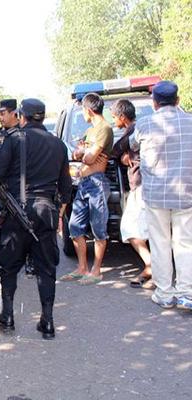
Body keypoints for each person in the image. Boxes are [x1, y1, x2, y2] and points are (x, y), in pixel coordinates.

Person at [0, 98, 72, 339]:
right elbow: (66, 187)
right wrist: (57, 215)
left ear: (22, 116)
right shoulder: (59, 145)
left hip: (17, 212)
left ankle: (7, 316)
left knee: (8, 267)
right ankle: (47, 321)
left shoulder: (13, 139)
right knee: (46, 269)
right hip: (46, 212)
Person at [130, 81, 192, 310]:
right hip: (187, 191)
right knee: (185, 242)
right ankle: (187, 293)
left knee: (160, 243)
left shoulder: (145, 124)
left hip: (156, 195)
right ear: (177, 100)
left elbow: (132, 145)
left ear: (154, 103)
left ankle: (165, 293)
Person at [61, 93, 113, 285]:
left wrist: (84, 153)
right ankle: (82, 268)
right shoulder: (90, 131)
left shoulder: (104, 129)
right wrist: (84, 153)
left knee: (98, 228)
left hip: (96, 182)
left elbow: (89, 158)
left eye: (83, 109)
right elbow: (77, 153)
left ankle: (96, 270)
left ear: (88, 110)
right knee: (74, 226)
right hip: (83, 182)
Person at [0, 99, 36, 277]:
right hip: (1, 190)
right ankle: (1, 262)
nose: (0, 117)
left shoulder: (24, 134)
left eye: (3, 113)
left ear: (14, 113)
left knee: (25, 223)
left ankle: (30, 261)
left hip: (21, 188)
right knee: (1, 226)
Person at [110, 99, 152, 288]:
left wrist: (122, 155)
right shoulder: (140, 129)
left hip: (141, 186)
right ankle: (153, 268)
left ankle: (151, 266)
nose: (113, 122)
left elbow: (114, 150)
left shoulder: (133, 131)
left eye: (114, 117)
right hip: (146, 186)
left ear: (122, 117)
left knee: (130, 228)